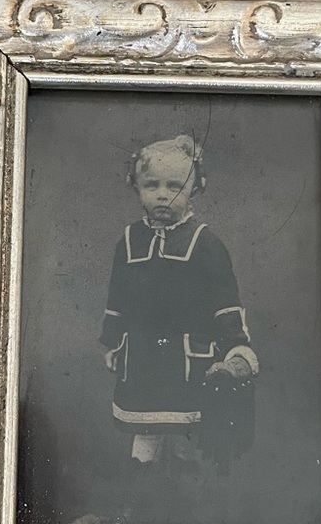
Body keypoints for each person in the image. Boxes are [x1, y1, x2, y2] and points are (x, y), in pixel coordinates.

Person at [99, 135, 257, 482]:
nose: (162, 194)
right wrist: (112, 342)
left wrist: (236, 345)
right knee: (146, 436)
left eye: (174, 186)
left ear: (195, 188)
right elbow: (118, 297)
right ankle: (144, 496)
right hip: (140, 356)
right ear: (135, 187)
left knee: (187, 438)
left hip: (188, 359)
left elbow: (225, 303)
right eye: (151, 184)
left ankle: (184, 502)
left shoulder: (207, 244)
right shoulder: (128, 241)